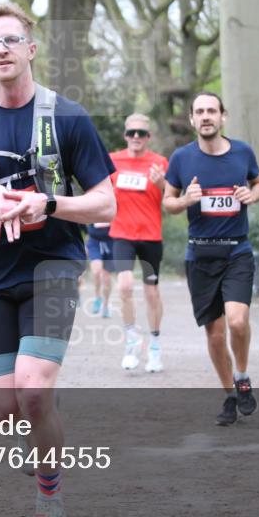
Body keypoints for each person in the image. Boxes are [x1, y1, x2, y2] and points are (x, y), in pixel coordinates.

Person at [0, 3, 116, 517]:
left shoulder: (69, 118)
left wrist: (50, 205)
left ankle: (50, 500)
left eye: (11, 40)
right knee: (4, 408)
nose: (2, 51)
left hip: (52, 270)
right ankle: (44, 424)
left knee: (33, 392)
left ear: (31, 49)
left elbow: (105, 205)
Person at [162, 92, 259, 426]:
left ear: (223, 117)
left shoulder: (242, 152)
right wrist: (185, 200)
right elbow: (168, 202)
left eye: (212, 111)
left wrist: (253, 194)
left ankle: (243, 375)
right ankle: (229, 395)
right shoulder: (181, 158)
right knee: (215, 333)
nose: (206, 117)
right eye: (199, 112)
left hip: (237, 250)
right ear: (192, 119)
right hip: (200, 253)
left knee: (237, 321)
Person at [108, 113, 168, 373]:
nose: (136, 137)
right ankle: (131, 341)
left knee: (151, 293)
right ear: (125, 135)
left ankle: (154, 345)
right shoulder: (112, 161)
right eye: (131, 132)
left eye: (141, 133)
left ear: (148, 137)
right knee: (124, 285)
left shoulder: (159, 162)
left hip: (151, 236)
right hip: (122, 233)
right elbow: (101, 191)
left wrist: (162, 183)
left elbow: (171, 198)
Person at [85, 221, 115, 317]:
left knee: (106, 277)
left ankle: (106, 305)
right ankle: (97, 297)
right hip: (95, 242)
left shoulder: (116, 207)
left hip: (111, 242)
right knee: (96, 272)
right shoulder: (90, 207)